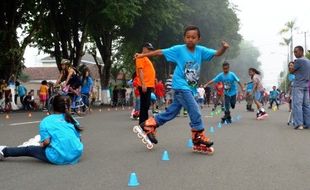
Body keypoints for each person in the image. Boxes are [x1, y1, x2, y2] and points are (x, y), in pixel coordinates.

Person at [134, 25, 229, 152]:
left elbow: (217, 54)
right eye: (188, 37)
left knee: (172, 112)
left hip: (189, 88)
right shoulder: (179, 50)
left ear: (198, 39)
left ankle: (149, 125)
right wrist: (141, 55)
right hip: (180, 85)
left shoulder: (201, 51)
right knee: (194, 108)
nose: (190, 39)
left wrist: (223, 48)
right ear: (184, 38)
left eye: (193, 37)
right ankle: (198, 135)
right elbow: (160, 52)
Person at [0, 95, 84, 165]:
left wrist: (42, 145)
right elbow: (79, 139)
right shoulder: (72, 119)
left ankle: (4, 151)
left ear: (52, 106)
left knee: (28, 149)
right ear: (68, 107)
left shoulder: (46, 121)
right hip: (76, 154)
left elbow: (46, 142)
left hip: (58, 157)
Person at [135, 42, 156, 125]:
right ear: (144, 48)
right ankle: (143, 122)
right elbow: (140, 71)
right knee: (145, 104)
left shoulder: (145, 58)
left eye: (151, 50)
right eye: (149, 49)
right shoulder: (140, 57)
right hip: (145, 85)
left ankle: (143, 121)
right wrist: (143, 84)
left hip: (148, 84)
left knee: (146, 104)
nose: (150, 51)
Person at [290, 46, 310, 130]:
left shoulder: (299, 61)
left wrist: (291, 66)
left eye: (296, 52)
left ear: (301, 52)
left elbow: (291, 71)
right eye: (294, 52)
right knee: (306, 105)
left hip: (298, 85)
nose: (295, 53)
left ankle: (299, 124)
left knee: (297, 104)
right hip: (306, 84)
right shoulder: (308, 61)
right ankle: (307, 123)